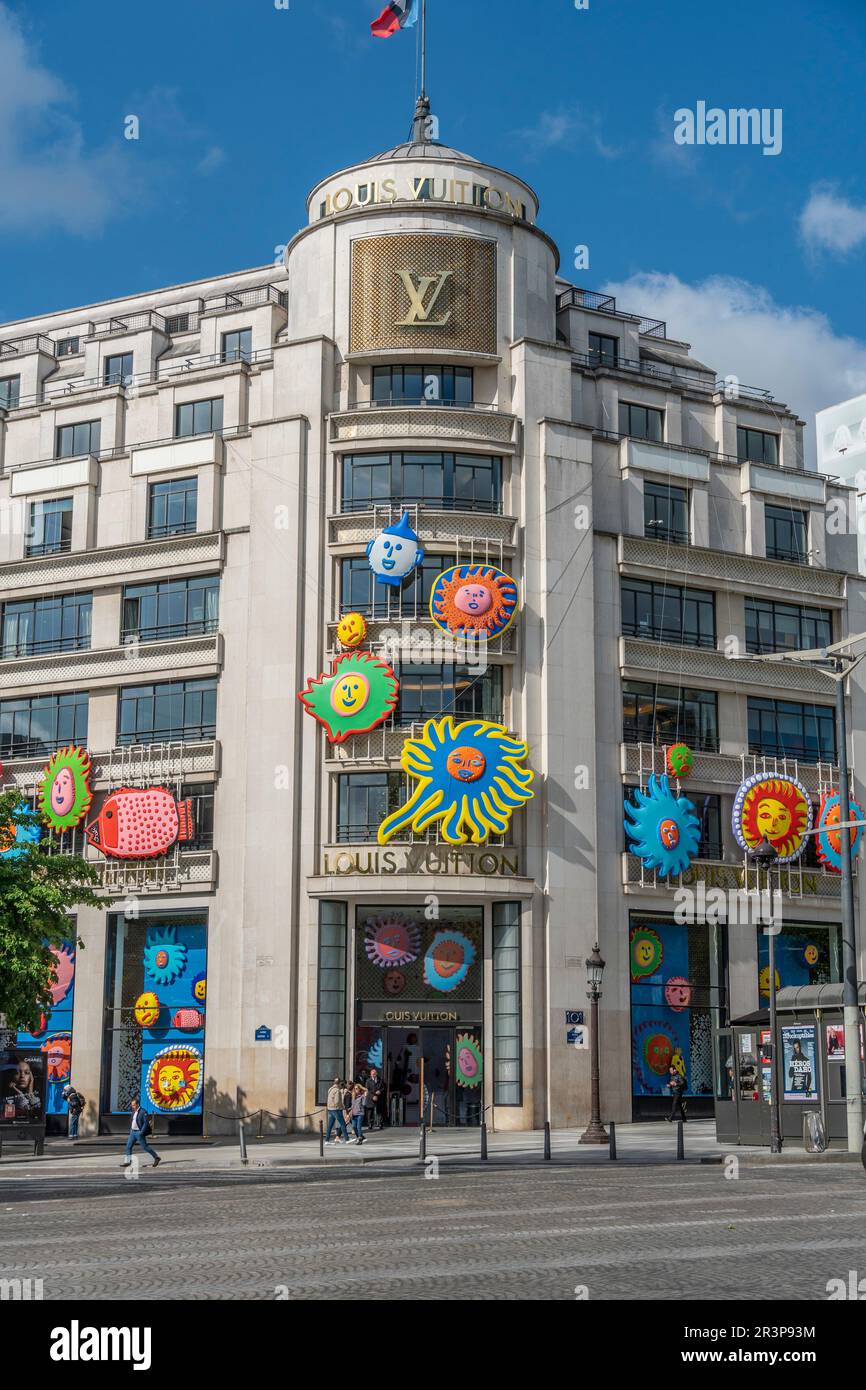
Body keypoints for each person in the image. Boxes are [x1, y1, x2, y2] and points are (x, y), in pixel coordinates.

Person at [121, 1096, 161, 1168]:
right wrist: (131, 1129)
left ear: (137, 1104)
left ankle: (156, 1157)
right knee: (128, 1147)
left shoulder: (143, 1111)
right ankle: (128, 1161)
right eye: (131, 1105)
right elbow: (133, 1120)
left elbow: (146, 1123)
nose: (132, 1106)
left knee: (145, 1147)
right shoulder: (133, 1111)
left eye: (133, 1105)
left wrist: (141, 1132)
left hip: (139, 1132)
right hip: (133, 1132)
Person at [325, 1077, 349, 1144]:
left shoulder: (330, 1089)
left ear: (334, 1082)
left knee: (330, 1126)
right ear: (339, 1083)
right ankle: (347, 1139)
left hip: (330, 1109)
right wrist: (342, 1107)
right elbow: (337, 1101)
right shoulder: (337, 1090)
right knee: (343, 1124)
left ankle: (327, 1140)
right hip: (336, 1109)